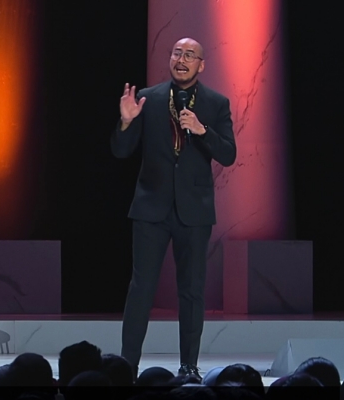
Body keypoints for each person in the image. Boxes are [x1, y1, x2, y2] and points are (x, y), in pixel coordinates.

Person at [111, 37, 236, 381]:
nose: (182, 60)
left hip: (194, 211)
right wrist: (126, 122)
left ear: (201, 65)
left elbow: (229, 154)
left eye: (190, 55)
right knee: (141, 288)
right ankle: (127, 366)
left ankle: (189, 367)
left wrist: (202, 130)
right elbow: (121, 151)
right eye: (177, 53)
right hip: (150, 207)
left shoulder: (216, 103)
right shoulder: (147, 99)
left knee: (192, 290)